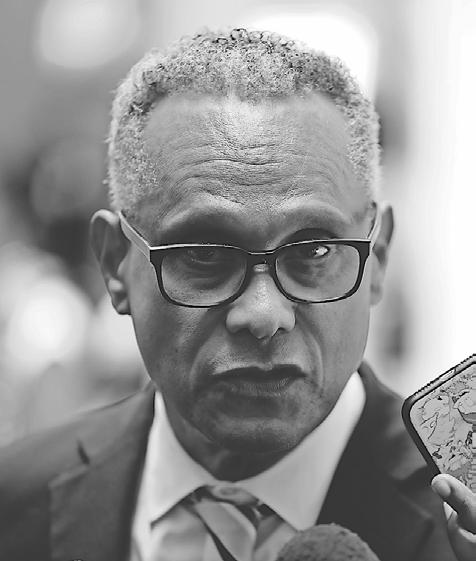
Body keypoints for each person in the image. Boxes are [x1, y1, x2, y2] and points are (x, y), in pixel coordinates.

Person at [0, 28, 475, 561]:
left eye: (314, 251)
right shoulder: (15, 505)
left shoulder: (457, 523)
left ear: (378, 258)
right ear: (115, 263)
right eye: (205, 254)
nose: (263, 315)